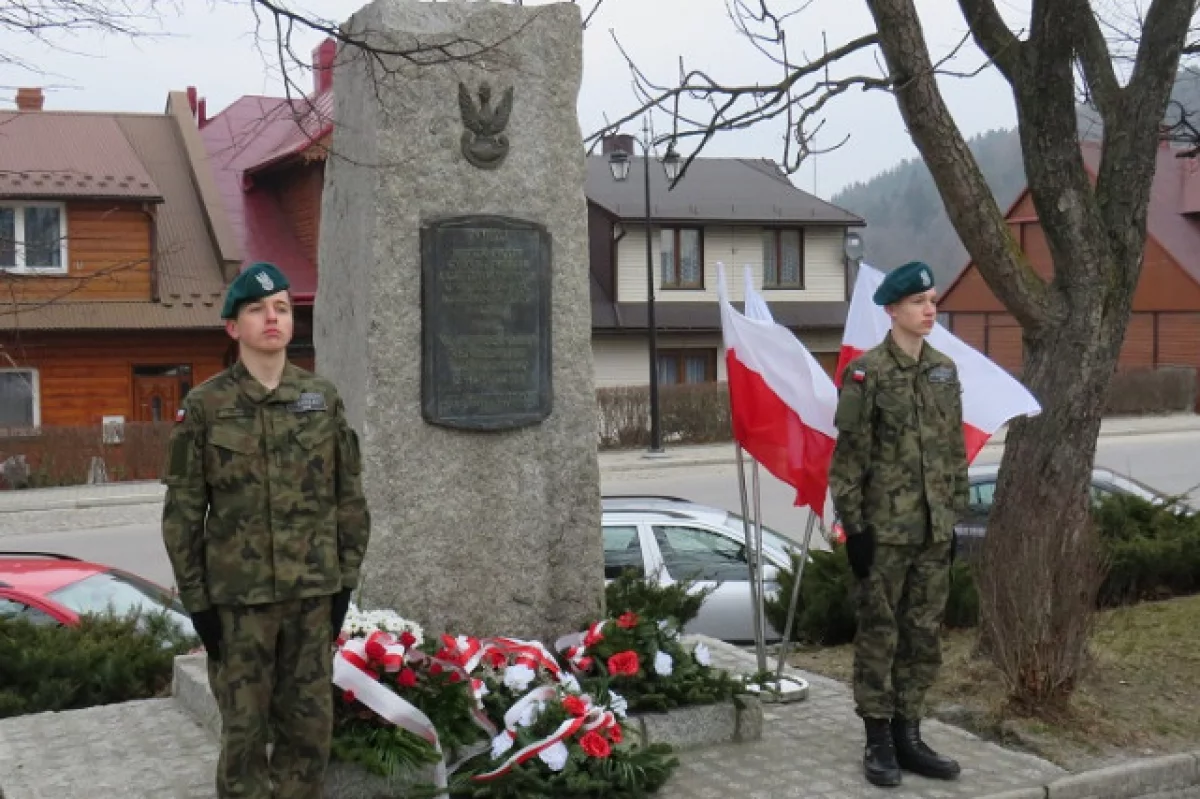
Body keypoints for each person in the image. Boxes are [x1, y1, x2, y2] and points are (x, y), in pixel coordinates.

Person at [162, 261, 371, 798]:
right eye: (256, 309)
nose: (271, 318)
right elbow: (184, 514)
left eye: (281, 308)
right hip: (238, 605)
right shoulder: (206, 407)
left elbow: (348, 498)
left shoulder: (321, 400)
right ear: (233, 326)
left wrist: (344, 583)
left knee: (309, 735)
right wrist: (199, 603)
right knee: (244, 737)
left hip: (311, 595)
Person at [829, 260, 968, 788]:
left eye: (932, 300)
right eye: (918, 302)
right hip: (883, 534)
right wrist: (855, 530)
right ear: (892, 310)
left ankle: (910, 733)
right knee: (880, 636)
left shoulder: (943, 371)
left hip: (932, 533)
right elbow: (848, 459)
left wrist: (951, 520)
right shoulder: (867, 373)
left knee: (923, 636)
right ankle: (879, 738)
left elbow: (953, 453)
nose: (929, 310)